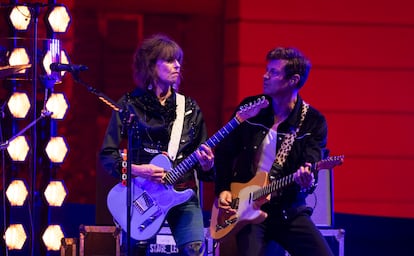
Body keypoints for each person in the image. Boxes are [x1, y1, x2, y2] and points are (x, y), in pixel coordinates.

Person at [99, 34, 215, 256]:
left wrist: (208, 165)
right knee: (135, 250)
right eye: (170, 60)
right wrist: (139, 170)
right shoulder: (129, 105)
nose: (178, 65)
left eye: (179, 60)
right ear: (151, 65)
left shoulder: (189, 108)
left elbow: (204, 169)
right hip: (141, 197)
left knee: (194, 249)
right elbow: (107, 155)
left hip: (182, 193)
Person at [214, 47, 334, 256]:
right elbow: (224, 152)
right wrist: (222, 189)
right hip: (247, 207)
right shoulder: (252, 108)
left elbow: (311, 161)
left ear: (293, 80)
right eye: (266, 70)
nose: (265, 76)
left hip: (288, 210)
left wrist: (308, 178)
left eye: (274, 72)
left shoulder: (313, 121)